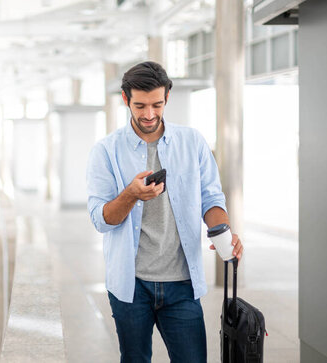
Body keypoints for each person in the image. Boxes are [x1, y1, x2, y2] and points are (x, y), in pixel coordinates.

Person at [86, 61, 244, 363]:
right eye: (140, 105)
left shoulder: (192, 142)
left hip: (182, 283)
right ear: (125, 99)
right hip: (130, 285)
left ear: (167, 98)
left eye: (157, 105)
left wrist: (223, 232)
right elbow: (102, 219)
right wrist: (131, 194)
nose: (149, 114)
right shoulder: (106, 151)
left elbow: (211, 198)